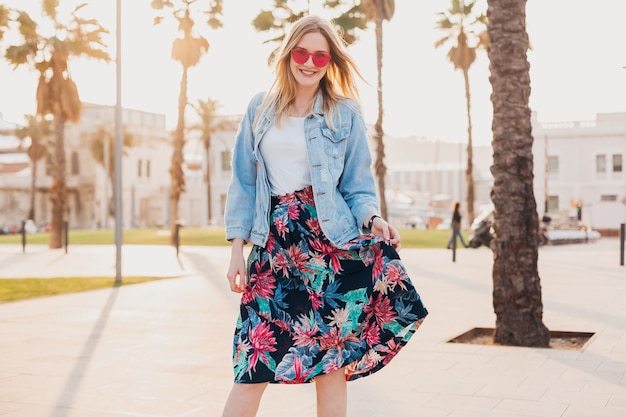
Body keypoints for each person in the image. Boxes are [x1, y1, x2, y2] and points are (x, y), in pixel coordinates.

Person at [222, 15, 428, 417]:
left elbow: (357, 184)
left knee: (331, 364)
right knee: (253, 363)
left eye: (320, 55)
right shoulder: (259, 109)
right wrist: (235, 252)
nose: (310, 62)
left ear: (330, 60)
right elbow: (243, 185)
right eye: (302, 52)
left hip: (329, 246)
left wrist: (373, 219)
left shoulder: (344, 113)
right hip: (273, 249)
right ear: (288, 55)